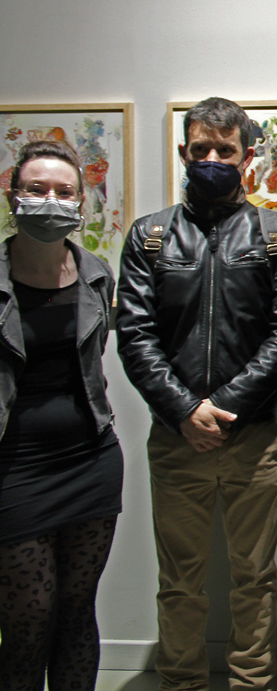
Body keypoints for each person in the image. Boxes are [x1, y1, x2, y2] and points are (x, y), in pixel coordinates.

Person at [116, 97, 277, 691]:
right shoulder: (149, 236)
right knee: (179, 583)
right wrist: (183, 410)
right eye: (202, 149)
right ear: (184, 153)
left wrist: (225, 408)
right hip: (177, 439)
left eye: (226, 150)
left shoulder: (276, 234)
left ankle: (252, 682)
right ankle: (181, 683)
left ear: (247, 157)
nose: (213, 160)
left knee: (255, 579)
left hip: (253, 438)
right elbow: (135, 333)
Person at [0, 140, 122, 691]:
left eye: (63, 191)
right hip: (13, 467)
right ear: (13, 196)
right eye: (36, 189)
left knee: (76, 612)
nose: (50, 200)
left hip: (89, 460)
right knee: (28, 618)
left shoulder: (95, 274)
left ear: (80, 202)